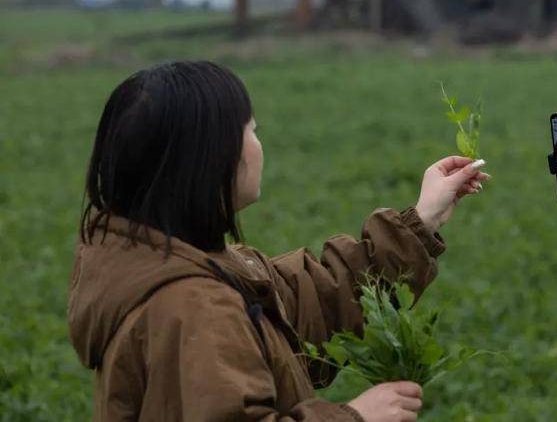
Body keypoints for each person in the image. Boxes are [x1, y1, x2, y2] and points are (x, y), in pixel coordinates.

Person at [67, 61, 491, 422]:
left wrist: (421, 220)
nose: (258, 142)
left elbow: (315, 303)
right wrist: (356, 417)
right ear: (209, 159)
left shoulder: (192, 264)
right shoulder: (192, 306)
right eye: (251, 130)